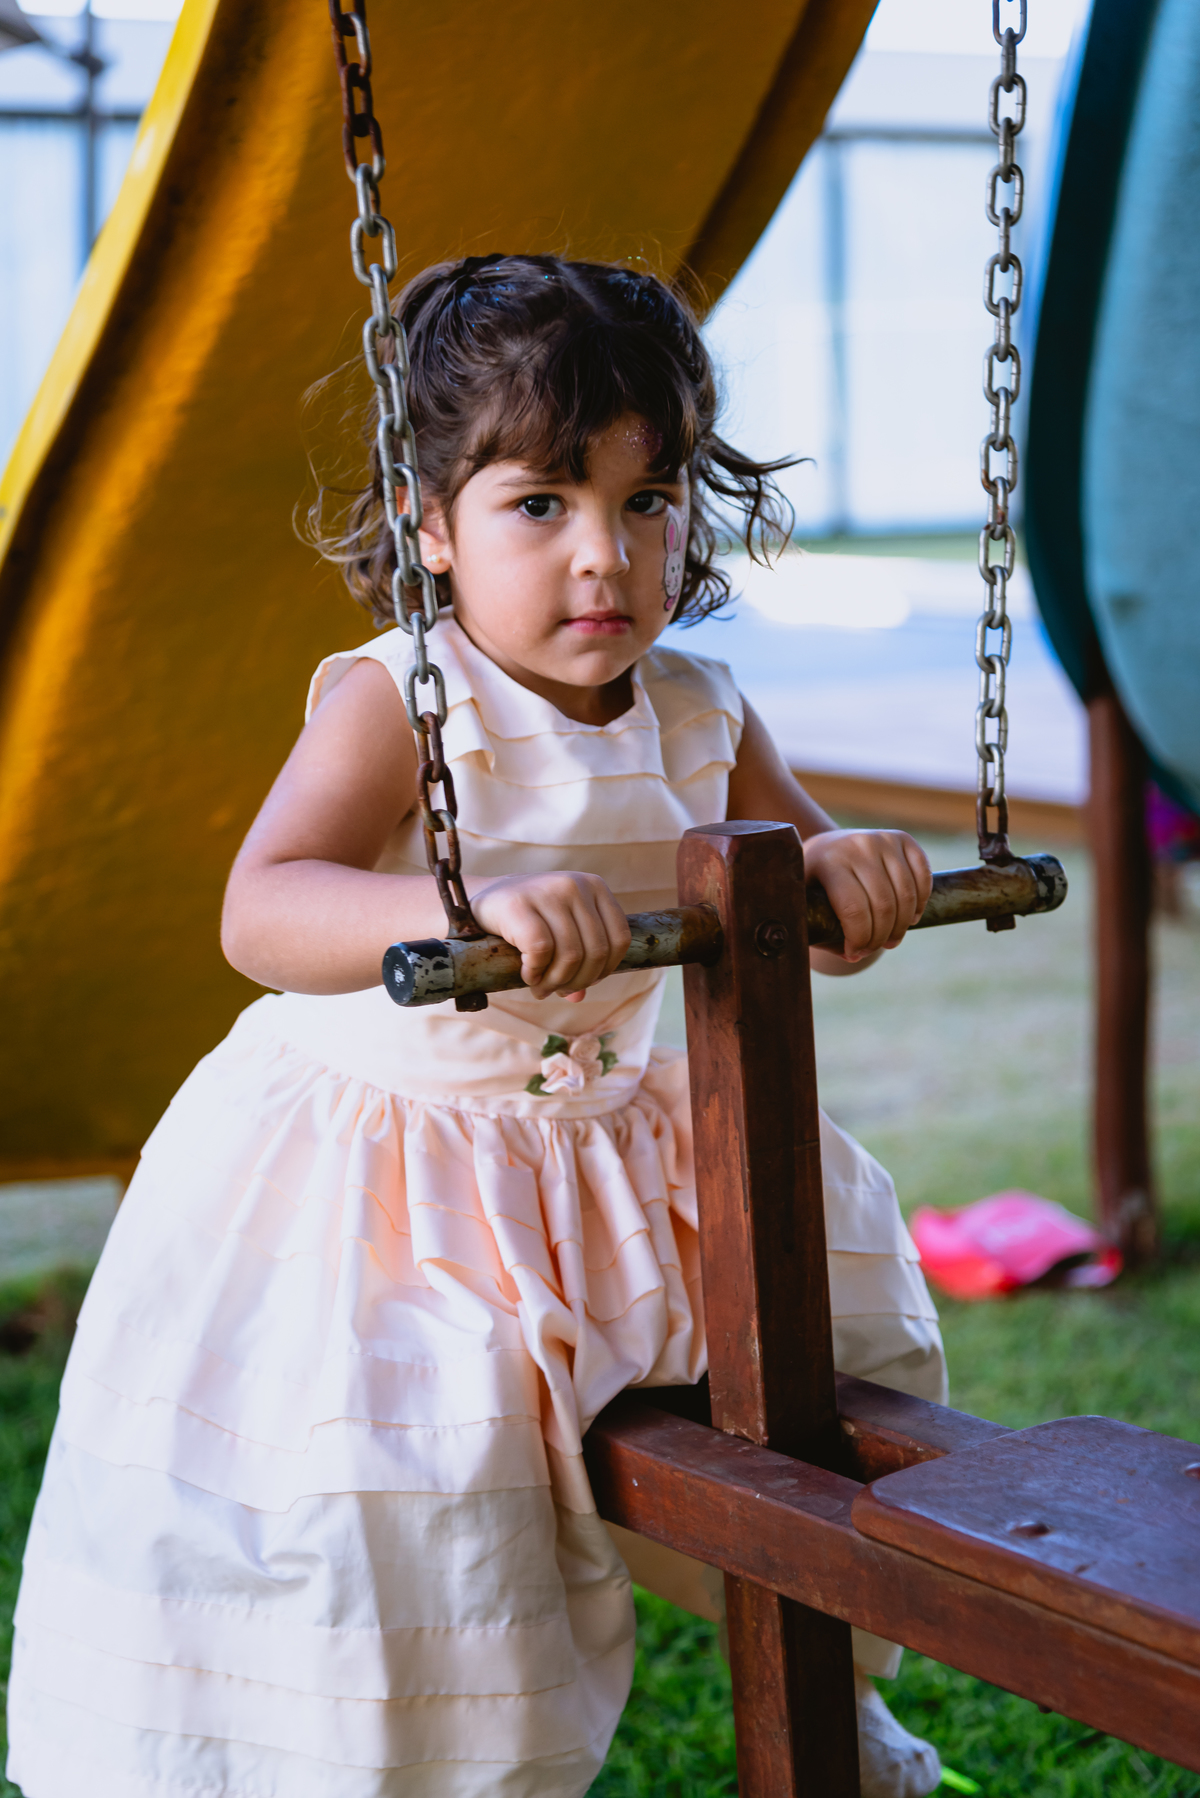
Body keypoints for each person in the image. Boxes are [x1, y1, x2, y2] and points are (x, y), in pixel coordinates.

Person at [7, 255, 946, 1798]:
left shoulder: (702, 711)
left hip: (617, 1161)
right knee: (419, 1487)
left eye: (648, 503)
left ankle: (830, 1681)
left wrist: (849, 867)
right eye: (543, 505)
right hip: (387, 1186)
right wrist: (462, 910)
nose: (606, 557)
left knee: (840, 1352)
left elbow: (804, 917)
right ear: (432, 524)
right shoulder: (405, 701)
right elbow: (264, 905)